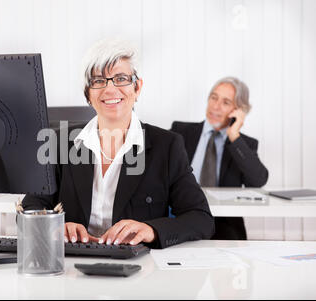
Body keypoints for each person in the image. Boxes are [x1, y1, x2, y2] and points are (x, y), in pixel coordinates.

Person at [22, 38, 214, 248]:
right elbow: (30, 208)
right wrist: (53, 227)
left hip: (138, 269)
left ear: (137, 88)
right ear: (88, 94)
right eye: (98, 81)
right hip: (71, 265)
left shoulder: (167, 146)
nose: (110, 89)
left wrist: (151, 231)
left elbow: (200, 218)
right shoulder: (60, 143)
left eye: (121, 78)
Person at [171, 77, 268, 240]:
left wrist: (234, 136)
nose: (215, 106)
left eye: (226, 102)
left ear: (238, 110)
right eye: (214, 97)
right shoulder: (180, 132)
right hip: (180, 219)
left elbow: (258, 181)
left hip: (223, 226)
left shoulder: (243, 145)